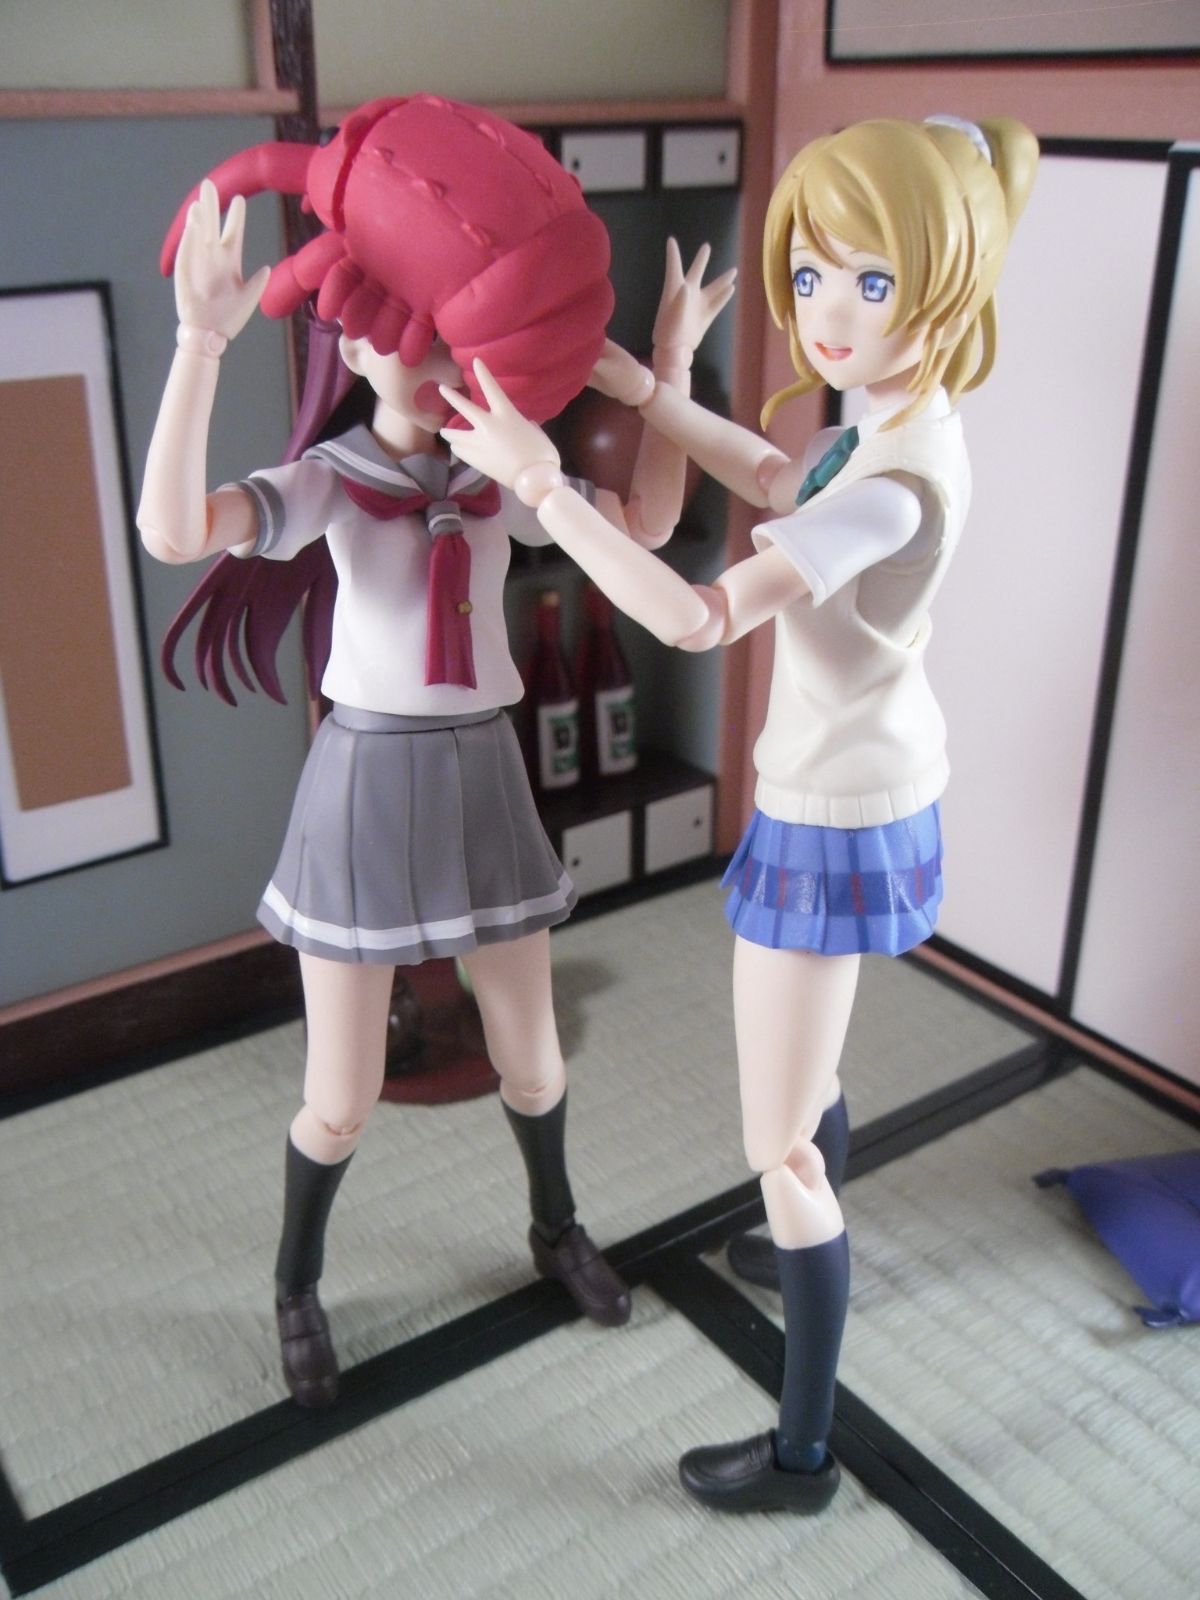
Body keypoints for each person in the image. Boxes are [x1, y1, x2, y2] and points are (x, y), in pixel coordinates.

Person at [438, 113, 1038, 1511]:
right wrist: (649, 384)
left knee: (779, 1140)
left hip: (834, 810)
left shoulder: (896, 488)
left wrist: (543, 485)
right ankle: (787, 1243)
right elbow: (776, 477)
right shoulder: (890, 425)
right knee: (805, 1078)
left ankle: (801, 1453)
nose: (827, 312)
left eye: (872, 282)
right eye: (813, 273)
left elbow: (699, 616)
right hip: (855, 778)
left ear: (946, 287)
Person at [137, 94, 731, 1408]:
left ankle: (555, 1227)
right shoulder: (334, 482)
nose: (431, 359)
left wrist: (669, 371)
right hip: (366, 782)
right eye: (405, 334)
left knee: (536, 1059)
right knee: (339, 1097)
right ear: (353, 339)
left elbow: (642, 523)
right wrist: (199, 341)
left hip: (480, 772)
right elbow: (174, 532)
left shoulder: (503, 475)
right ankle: (296, 1281)